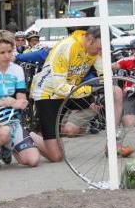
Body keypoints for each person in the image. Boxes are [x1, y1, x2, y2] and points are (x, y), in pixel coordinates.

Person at [29, 27, 116, 162]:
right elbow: (59, 87)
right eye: (99, 48)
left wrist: (105, 86)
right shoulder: (67, 47)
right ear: (90, 40)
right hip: (49, 95)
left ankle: (113, 143)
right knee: (57, 157)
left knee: (116, 92)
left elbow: (105, 75)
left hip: (71, 92)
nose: (100, 52)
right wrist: (89, 90)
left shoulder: (95, 49)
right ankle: (30, 135)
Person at [0, 30, 39, 170]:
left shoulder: (17, 70)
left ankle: (7, 145)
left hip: (12, 121)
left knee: (33, 160)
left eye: (10, 51)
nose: (7, 56)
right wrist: (6, 102)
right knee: (4, 132)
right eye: (2, 52)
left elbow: (21, 99)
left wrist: (22, 103)